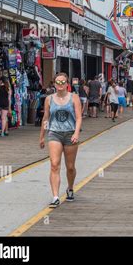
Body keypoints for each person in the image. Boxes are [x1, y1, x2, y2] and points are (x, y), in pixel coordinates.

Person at [39, 73, 82, 208]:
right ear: (54, 83)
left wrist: (76, 133)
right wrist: (42, 136)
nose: (60, 84)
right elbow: (46, 118)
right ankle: (56, 196)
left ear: (67, 83)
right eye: (57, 82)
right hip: (54, 133)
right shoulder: (49, 99)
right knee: (54, 164)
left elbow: (79, 117)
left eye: (63, 82)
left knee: (70, 167)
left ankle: (70, 188)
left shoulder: (74, 98)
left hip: (70, 134)